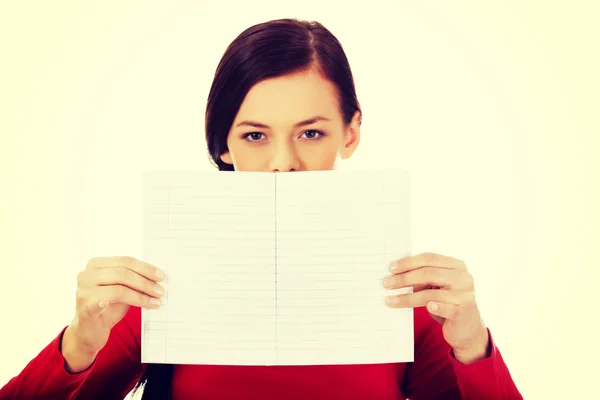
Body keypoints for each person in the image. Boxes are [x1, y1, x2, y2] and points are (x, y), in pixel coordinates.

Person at [0, 18, 522, 400]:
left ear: (352, 133)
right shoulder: (161, 292)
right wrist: (79, 344)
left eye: (311, 133)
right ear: (223, 144)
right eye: (254, 135)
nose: (282, 165)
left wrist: (472, 344)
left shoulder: (403, 298)